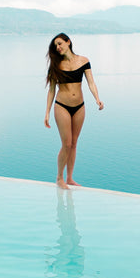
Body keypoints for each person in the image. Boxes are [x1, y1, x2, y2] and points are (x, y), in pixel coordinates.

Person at [44, 33, 104, 188]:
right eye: (55, 46)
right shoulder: (56, 65)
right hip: (62, 106)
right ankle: (59, 178)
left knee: (74, 143)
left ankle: (70, 178)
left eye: (60, 44)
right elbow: (51, 90)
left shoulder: (84, 61)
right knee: (67, 144)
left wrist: (97, 99)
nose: (58, 48)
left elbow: (91, 82)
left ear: (68, 42)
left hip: (79, 106)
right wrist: (47, 113)